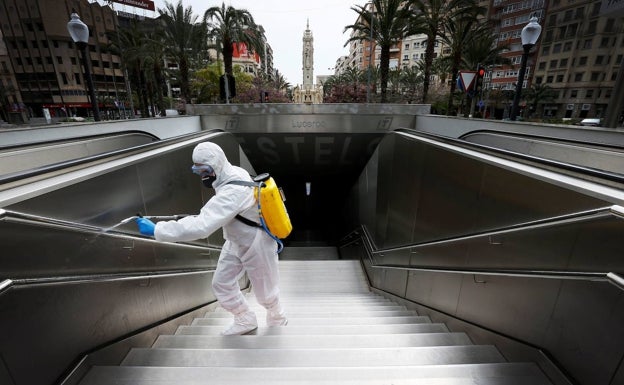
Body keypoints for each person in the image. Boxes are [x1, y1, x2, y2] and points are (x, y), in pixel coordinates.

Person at [135, 142, 287, 335]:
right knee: (221, 284)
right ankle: (245, 319)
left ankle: (277, 319)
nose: (202, 175)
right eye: (197, 170)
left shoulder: (233, 189)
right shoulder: (228, 176)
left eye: (205, 170)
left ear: (217, 164)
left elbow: (203, 225)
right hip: (235, 241)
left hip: (256, 243)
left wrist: (158, 229)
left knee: (266, 293)